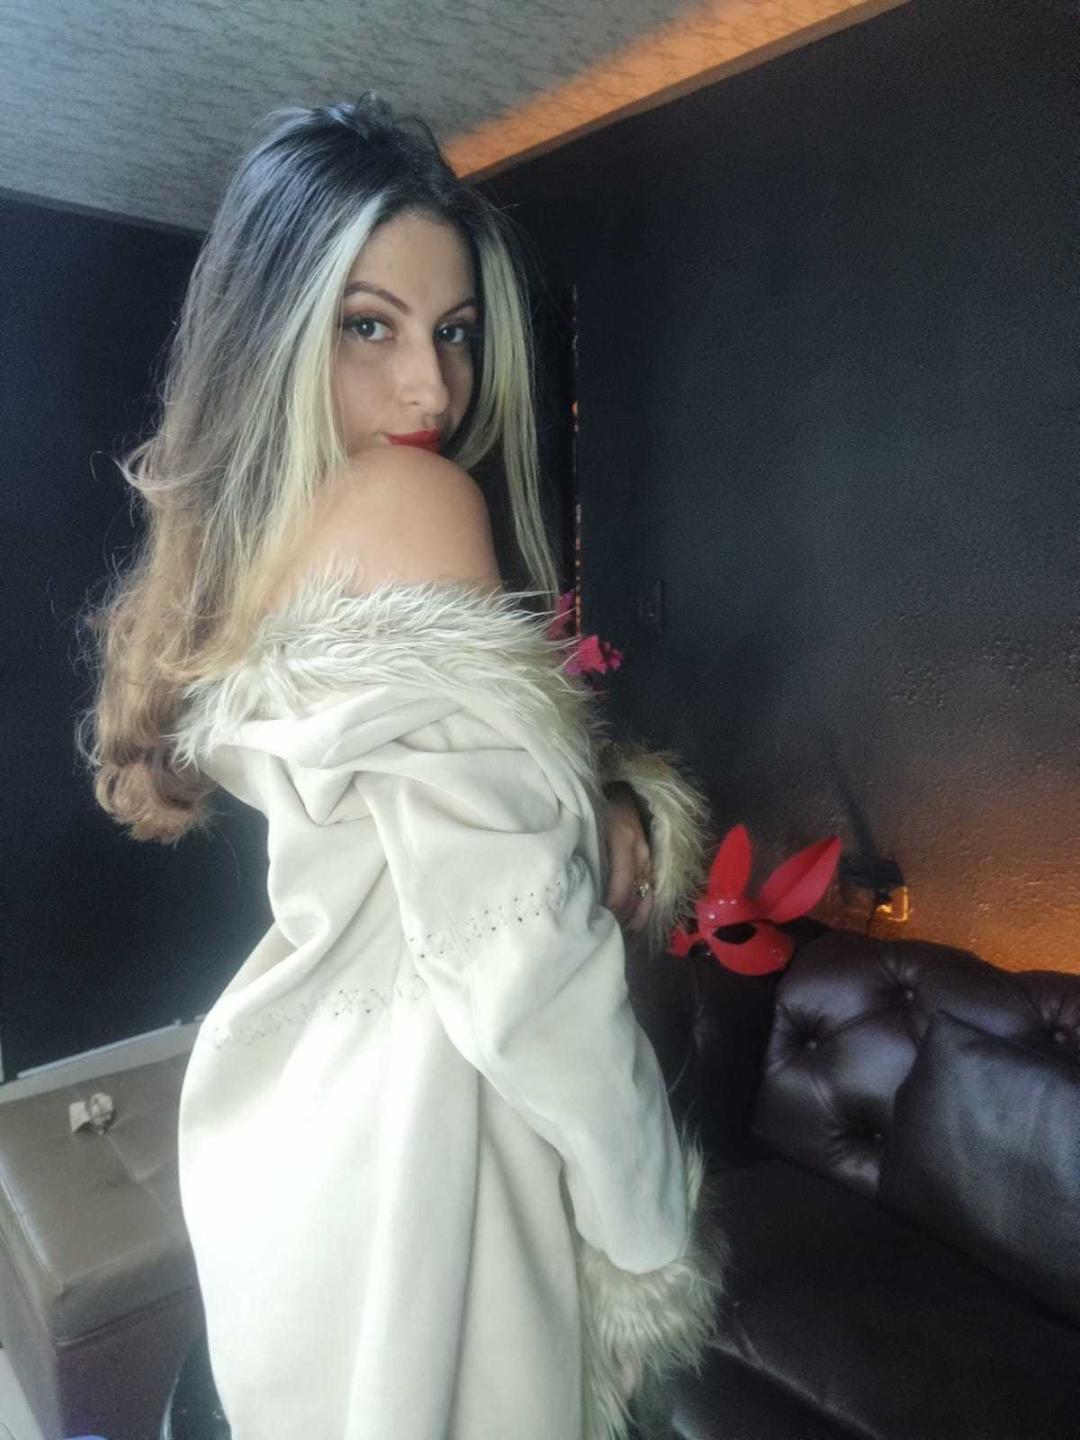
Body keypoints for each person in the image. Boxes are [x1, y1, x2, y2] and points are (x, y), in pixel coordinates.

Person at [75, 92, 728, 1440]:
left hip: (293, 1132)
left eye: (456, 331)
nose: (431, 388)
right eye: (368, 326)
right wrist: (650, 1227)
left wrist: (598, 803)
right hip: (429, 1157)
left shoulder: (250, 541)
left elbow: (424, 844)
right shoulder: (416, 500)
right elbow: (520, 950)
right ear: (275, 336)